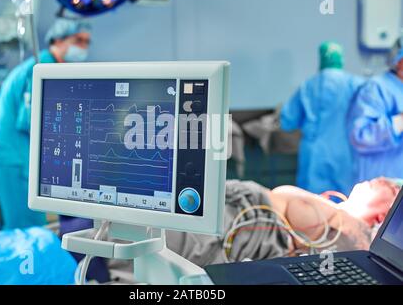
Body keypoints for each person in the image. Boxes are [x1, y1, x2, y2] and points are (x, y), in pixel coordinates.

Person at [106, 178, 400, 282]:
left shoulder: (358, 235)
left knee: (143, 239)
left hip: (233, 227)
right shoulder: (337, 212)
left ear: (382, 213)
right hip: (235, 206)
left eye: (383, 187)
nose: (369, 182)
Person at [0, 18, 91, 229]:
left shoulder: (53, 68)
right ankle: (25, 262)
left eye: (87, 42)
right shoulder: (42, 68)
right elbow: (31, 121)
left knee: (31, 223)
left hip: (16, 155)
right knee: (25, 227)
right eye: (78, 40)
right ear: (58, 40)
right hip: (12, 157)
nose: (83, 47)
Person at [280, 41, 364, 195]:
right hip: (345, 153)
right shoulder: (356, 84)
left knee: (313, 206)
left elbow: (287, 121)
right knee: (347, 205)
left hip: (314, 155)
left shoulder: (307, 86)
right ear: (341, 59)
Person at [348, 37, 403, 184]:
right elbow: (362, 136)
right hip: (381, 189)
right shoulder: (376, 88)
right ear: (399, 62)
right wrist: (399, 121)